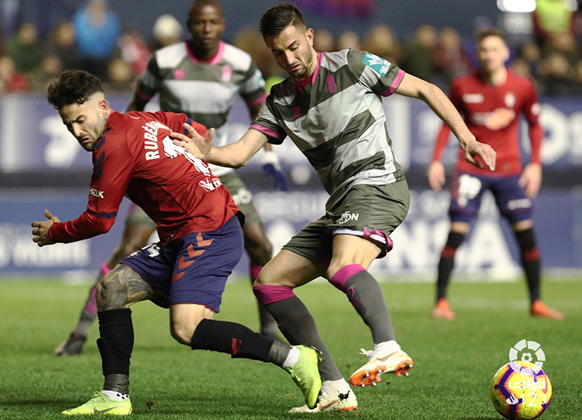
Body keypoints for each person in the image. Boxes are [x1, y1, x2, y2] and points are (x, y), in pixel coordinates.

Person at [171, 2, 497, 413]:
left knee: (342, 265)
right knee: (270, 281)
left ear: (309, 37)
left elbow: (428, 89)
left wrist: (466, 139)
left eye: (294, 47)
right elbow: (239, 154)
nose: (289, 59)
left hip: (378, 185)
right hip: (341, 203)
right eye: (278, 53)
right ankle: (333, 386)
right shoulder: (281, 100)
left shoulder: (355, 65)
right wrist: (207, 151)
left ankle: (388, 347)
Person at [32, 69, 321, 415]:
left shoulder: (114, 144)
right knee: (112, 290)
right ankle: (114, 397)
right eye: (68, 125)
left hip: (209, 230)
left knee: (186, 329)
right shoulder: (144, 120)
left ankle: (294, 357)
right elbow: (185, 123)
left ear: (103, 106)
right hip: (183, 234)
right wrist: (198, 147)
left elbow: (100, 220)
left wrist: (56, 233)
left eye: (80, 120)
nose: (77, 132)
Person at [53, 0, 287, 357]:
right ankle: (80, 331)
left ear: (221, 24)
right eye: (199, 23)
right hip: (154, 162)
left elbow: (260, 106)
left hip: (211, 162)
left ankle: (271, 332)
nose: (206, 29)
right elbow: (138, 102)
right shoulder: (163, 61)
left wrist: (267, 153)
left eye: (213, 22)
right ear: (189, 25)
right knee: (126, 248)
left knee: (259, 243)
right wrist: (129, 145)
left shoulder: (240, 63)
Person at [427, 28, 564, 321]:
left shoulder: (523, 86)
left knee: (526, 235)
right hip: (471, 170)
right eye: (484, 50)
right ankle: (440, 301)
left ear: (505, 53)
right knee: (457, 232)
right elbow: (446, 122)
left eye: (494, 49)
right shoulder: (462, 85)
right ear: (478, 54)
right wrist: (436, 160)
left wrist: (536, 163)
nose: (489, 55)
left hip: (509, 171)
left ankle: (537, 302)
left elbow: (535, 125)